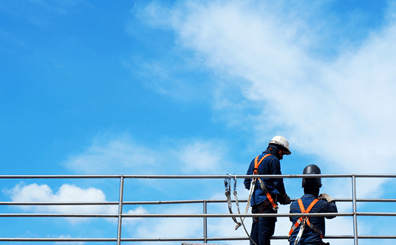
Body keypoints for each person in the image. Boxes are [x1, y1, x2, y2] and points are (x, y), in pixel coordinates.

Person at [244, 136, 292, 245]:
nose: (282, 157)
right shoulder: (273, 160)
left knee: (255, 236)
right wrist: (284, 198)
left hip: (255, 205)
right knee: (265, 233)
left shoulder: (254, 160)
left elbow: (247, 183)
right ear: (277, 148)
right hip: (268, 204)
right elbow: (278, 183)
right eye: (282, 153)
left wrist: (258, 191)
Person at [288, 164, 338, 245]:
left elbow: (291, 218)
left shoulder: (293, 205)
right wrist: (330, 200)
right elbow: (333, 213)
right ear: (318, 187)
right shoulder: (321, 204)